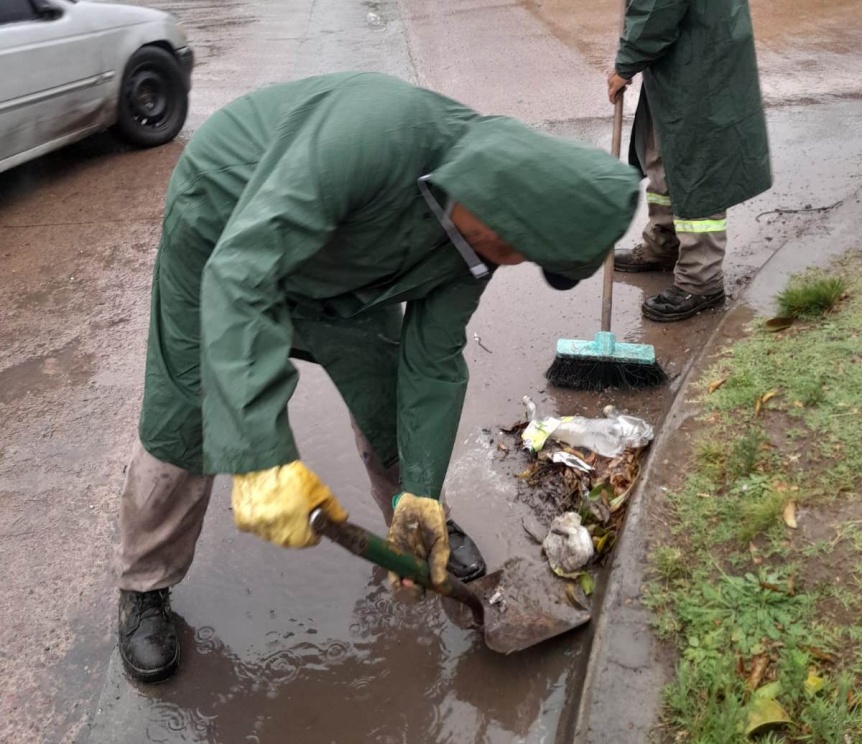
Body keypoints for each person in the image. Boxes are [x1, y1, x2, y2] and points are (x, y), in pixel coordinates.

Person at [115, 72, 640, 683]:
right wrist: (261, 458)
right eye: (522, 247)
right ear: (502, 205)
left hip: (344, 270)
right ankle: (144, 585)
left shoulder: (479, 243)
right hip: (225, 230)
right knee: (191, 416)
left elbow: (433, 361)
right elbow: (243, 273)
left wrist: (419, 491)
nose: (516, 261)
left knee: (391, 396)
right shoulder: (370, 133)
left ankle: (414, 515)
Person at [607, 0, 772, 322]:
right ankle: (665, 244)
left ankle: (701, 280)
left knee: (698, 168)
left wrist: (626, 62)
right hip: (689, 56)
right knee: (666, 157)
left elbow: (657, 7)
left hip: (697, 65)